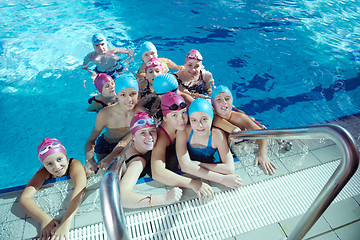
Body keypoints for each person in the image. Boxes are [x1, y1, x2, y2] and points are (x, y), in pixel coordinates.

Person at [151, 92, 214, 203]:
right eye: (174, 115)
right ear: (165, 118)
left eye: (183, 113)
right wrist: (193, 183)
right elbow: (157, 173)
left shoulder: (188, 120)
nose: (181, 119)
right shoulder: (162, 137)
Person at [19, 138, 86, 240]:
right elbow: (24, 199)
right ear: (44, 165)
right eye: (49, 164)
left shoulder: (74, 164)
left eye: (59, 159)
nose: (57, 167)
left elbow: (80, 189)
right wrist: (45, 219)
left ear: (65, 156)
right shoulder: (43, 173)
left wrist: (65, 223)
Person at [114, 111, 182, 208]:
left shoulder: (137, 143)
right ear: (133, 137)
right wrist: (165, 198)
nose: (149, 136)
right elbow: (123, 198)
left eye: (152, 131)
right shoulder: (137, 162)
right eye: (143, 133)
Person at [84, 74, 148, 177]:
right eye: (123, 95)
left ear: (138, 95)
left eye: (133, 94)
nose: (129, 99)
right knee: (103, 173)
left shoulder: (141, 113)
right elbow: (90, 141)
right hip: (106, 147)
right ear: (116, 95)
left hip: (128, 146)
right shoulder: (105, 114)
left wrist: (115, 154)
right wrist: (89, 160)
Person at [176, 98, 243, 189]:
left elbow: (230, 169)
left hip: (203, 163)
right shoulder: (184, 132)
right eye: (194, 120)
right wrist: (222, 179)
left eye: (204, 119)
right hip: (200, 169)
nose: (199, 125)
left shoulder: (217, 135)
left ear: (211, 119)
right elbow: (184, 167)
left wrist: (197, 164)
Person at [211, 85, 276, 174]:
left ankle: (251, 121)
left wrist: (263, 155)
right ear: (212, 105)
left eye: (227, 99)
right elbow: (219, 122)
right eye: (218, 99)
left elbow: (262, 134)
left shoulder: (240, 118)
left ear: (232, 102)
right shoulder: (210, 119)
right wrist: (235, 130)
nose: (224, 102)